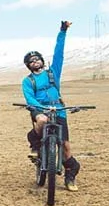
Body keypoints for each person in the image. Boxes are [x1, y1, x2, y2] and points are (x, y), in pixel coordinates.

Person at [23, 20, 82, 191]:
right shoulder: (28, 81)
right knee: (42, 120)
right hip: (40, 109)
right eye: (31, 61)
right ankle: (35, 145)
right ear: (28, 66)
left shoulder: (53, 72)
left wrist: (63, 31)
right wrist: (42, 108)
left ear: (42, 60)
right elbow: (29, 98)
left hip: (59, 110)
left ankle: (70, 174)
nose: (35, 62)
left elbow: (59, 54)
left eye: (37, 59)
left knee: (65, 146)